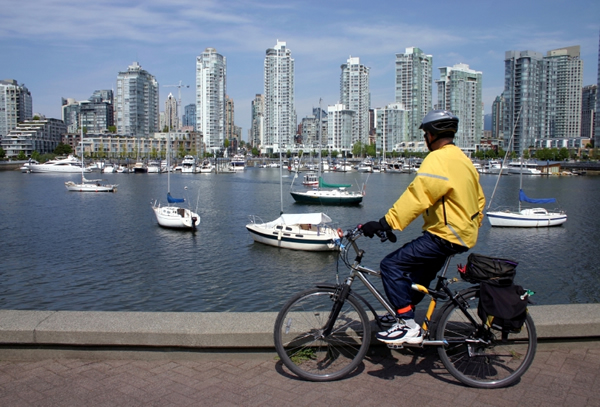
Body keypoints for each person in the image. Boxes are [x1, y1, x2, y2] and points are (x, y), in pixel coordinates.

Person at [360, 110, 485, 345]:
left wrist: (387, 223)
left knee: (390, 265)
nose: (425, 138)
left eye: (426, 133)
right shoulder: (462, 159)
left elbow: (419, 195)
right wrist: (471, 227)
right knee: (418, 279)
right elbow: (479, 200)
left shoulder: (438, 159)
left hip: (445, 235)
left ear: (431, 134)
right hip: (461, 234)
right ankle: (402, 314)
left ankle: (408, 324)